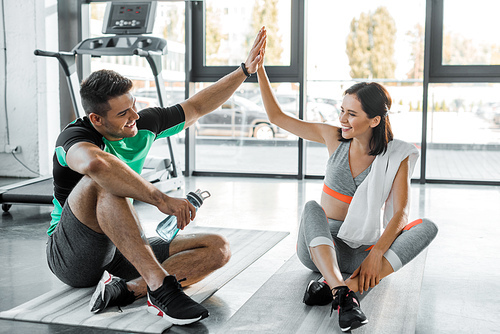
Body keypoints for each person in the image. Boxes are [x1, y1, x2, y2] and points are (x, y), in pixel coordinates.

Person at [46, 28, 266, 326]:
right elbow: (97, 165)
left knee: (218, 247)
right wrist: (161, 199)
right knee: (104, 181)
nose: (134, 116)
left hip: (120, 250)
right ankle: (162, 289)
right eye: (123, 113)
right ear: (97, 119)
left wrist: (244, 71)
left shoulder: (141, 124)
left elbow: (198, 106)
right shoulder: (75, 136)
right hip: (72, 255)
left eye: (133, 105)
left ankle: (129, 290)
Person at [256, 50, 438, 332]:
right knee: (312, 208)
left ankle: (340, 290)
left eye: (351, 114)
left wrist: (377, 253)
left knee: (426, 227)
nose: (342, 118)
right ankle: (341, 287)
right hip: (319, 247)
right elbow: (276, 117)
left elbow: (401, 212)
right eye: (341, 110)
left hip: (361, 250)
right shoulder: (333, 138)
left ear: (374, 120)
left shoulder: (396, 154)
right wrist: (259, 69)